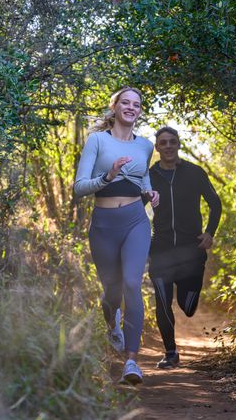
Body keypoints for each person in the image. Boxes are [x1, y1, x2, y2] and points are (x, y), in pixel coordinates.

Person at [73, 87, 159, 385]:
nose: (131, 108)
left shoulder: (146, 146)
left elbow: (142, 180)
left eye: (137, 104)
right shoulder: (97, 141)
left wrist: (150, 193)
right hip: (104, 224)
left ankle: (131, 362)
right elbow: (79, 187)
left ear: (139, 111)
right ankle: (113, 323)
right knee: (112, 291)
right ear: (115, 107)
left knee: (132, 283)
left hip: (135, 220)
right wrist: (108, 176)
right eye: (126, 102)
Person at [148, 126, 221, 369]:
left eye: (172, 141)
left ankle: (189, 292)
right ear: (157, 148)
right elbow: (135, 209)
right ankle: (170, 353)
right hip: (160, 249)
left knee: (187, 308)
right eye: (163, 143)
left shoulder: (194, 173)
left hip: (191, 250)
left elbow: (215, 204)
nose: (168, 146)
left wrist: (209, 232)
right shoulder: (149, 177)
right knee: (162, 300)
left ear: (178, 144)